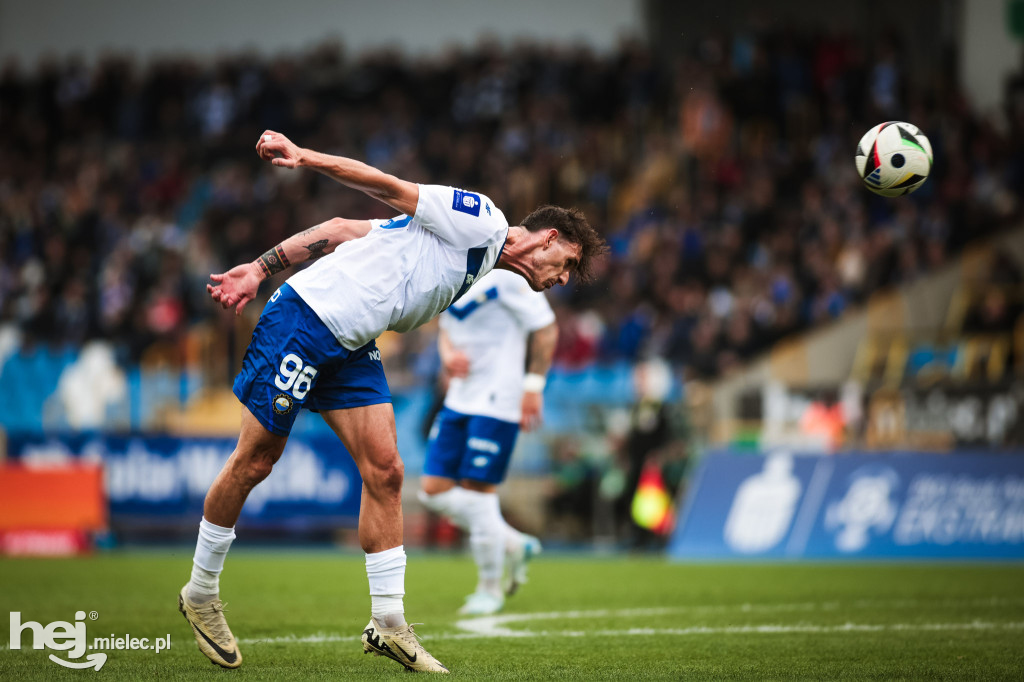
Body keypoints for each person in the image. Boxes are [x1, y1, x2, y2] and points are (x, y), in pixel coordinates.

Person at [176, 130, 605, 674]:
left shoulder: (476, 257)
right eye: (567, 263)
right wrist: (291, 191)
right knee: (256, 460)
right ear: (548, 238)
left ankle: (389, 623)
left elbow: (338, 232)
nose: (563, 279)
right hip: (305, 319)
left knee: (387, 471)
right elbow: (385, 186)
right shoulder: (482, 220)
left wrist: (262, 264)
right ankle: (201, 592)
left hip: (353, 345)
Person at [418, 268, 557, 615]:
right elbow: (446, 327)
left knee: (477, 492)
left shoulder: (510, 276)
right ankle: (512, 542)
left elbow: (546, 329)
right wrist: (448, 356)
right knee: (431, 490)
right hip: (459, 397)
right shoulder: (453, 268)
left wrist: (533, 387)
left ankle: (490, 589)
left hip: (498, 400)